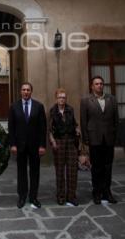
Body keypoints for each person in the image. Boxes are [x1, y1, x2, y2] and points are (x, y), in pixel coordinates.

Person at [80, 75, 119, 204]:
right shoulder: (86, 100)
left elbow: (116, 120)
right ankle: (96, 192)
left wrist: (115, 137)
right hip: (94, 138)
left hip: (108, 139)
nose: (99, 85)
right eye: (96, 84)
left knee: (108, 166)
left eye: (101, 83)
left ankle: (107, 192)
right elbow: (83, 121)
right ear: (92, 86)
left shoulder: (111, 99)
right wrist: (85, 140)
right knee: (96, 167)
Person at [8, 82, 47, 209]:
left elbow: (43, 128)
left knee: (35, 172)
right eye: (24, 89)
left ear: (31, 91)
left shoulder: (39, 106)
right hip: (20, 146)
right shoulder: (14, 107)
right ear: (20, 91)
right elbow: (11, 127)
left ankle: (33, 197)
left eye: (28, 90)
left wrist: (42, 145)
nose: (26, 92)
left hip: (35, 146)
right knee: (21, 172)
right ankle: (22, 196)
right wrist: (12, 144)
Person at [49, 88, 80, 206]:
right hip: (59, 142)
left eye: (64, 97)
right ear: (56, 98)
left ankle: (71, 196)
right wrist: (53, 142)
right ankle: (61, 196)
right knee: (60, 170)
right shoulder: (52, 111)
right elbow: (50, 129)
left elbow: (75, 124)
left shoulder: (70, 109)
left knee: (72, 170)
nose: (62, 99)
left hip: (71, 141)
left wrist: (78, 131)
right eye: (60, 97)